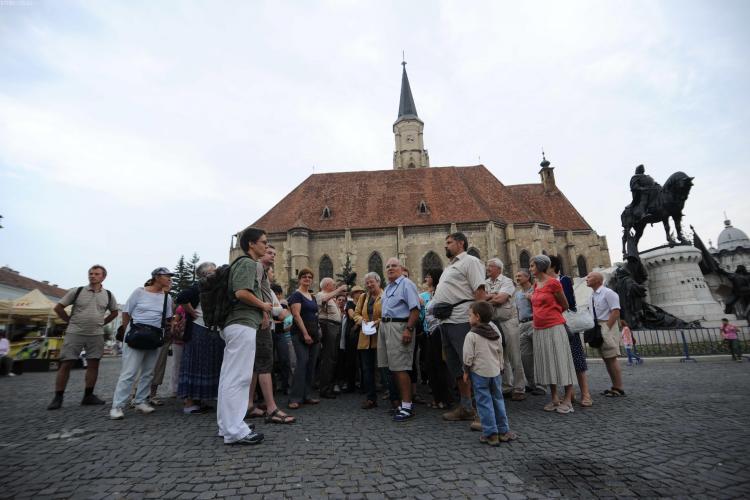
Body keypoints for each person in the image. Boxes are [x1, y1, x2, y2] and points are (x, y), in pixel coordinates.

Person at [217, 227, 270, 445]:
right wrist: (263, 305)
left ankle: (227, 425)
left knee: (229, 377)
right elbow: (241, 292)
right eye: (263, 242)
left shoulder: (241, 263)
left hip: (237, 324)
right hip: (242, 323)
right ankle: (235, 430)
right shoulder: (248, 263)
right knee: (239, 378)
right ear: (251, 244)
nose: (266, 246)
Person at [431, 232, 486, 422]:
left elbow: (479, 291)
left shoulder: (470, 261)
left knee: (472, 365)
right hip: (446, 321)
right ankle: (466, 407)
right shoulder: (450, 266)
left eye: (449, 242)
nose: (445, 246)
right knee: (456, 367)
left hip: (462, 320)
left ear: (461, 243)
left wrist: (479, 322)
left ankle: (483, 412)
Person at [48, 265, 119, 410]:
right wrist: (69, 321)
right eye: (91, 273)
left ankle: (88, 396)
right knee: (66, 363)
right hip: (75, 332)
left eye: (96, 274)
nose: (92, 276)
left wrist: (102, 323)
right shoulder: (77, 291)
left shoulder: (108, 295)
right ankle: (58, 397)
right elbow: (58, 307)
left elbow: (115, 312)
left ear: (103, 277)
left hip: (96, 334)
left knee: (94, 364)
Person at [109, 267, 174, 419]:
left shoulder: (167, 297)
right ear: (157, 277)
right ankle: (117, 406)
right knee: (129, 372)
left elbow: (167, 318)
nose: (169, 279)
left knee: (149, 372)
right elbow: (126, 312)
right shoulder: (139, 292)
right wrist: (127, 331)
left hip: (154, 335)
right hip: (136, 333)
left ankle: (140, 401)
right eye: (167, 276)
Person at [246, 245, 295, 424]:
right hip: (259, 326)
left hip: (264, 326)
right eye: (269, 252)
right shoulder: (257, 269)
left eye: (275, 253)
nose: (273, 256)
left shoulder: (265, 280)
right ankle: (271, 408)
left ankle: (249, 404)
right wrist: (264, 311)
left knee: (256, 367)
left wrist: (288, 318)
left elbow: (278, 309)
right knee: (264, 365)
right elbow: (250, 296)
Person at [462, 301, 517, 445]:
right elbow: (500, 351)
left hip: (479, 373)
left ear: (477, 317)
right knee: (498, 400)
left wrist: (466, 371)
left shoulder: (471, 335)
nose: (468, 318)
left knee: (484, 402)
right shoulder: (495, 332)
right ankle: (503, 431)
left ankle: (491, 434)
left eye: (470, 315)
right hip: (495, 372)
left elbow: (468, 356)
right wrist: (501, 366)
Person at [175, 262, 225, 414]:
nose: (216, 273)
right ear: (206, 274)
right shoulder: (199, 286)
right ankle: (189, 403)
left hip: (211, 330)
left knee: (208, 365)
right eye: (213, 271)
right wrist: (191, 311)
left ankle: (200, 400)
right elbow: (181, 297)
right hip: (198, 329)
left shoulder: (214, 287)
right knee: (195, 364)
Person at [529, 255, 576, 414]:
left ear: (540, 266)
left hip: (554, 327)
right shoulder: (536, 284)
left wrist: (551, 314)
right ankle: (555, 398)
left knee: (562, 361)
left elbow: (565, 304)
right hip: (539, 328)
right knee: (548, 363)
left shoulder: (553, 283)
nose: (530, 268)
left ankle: (568, 399)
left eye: (532, 266)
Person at [379, 258, 421, 422]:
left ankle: (407, 406)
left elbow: (415, 309)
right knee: (392, 367)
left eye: (394, 266)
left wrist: (408, 329)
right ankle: (401, 404)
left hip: (399, 327)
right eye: (388, 266)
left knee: (401, 367)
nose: (390, 268)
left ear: (401, 268)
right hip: (385, 327)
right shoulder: (388, 287)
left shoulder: (406, 284)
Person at [549, 255, 592, 407]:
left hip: (567, 324)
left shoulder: (564, 280)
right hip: (553, 324)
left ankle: (586, 394)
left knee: (576, 358)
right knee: (562, 359)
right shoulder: (543, 283)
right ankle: (570, 392)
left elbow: (568, 302)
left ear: (552, 266)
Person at [485, 258, 526, 401]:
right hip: (493, 322)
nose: (487, 268)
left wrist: (489, 297)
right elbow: (479, 298)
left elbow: (500, 300)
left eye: (490, 266)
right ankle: (507, 386)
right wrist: (493, 295)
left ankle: (519, 388)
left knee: (514, 355)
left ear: (498, 269)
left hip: (508, 321)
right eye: (487, 266)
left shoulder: (507, 281)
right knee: (501, 356)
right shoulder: (486, 283)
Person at [585, 271, 626, 397]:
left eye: (589, 277)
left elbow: (616, 312)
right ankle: (614, 386)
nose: (586, 279)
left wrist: (606, 328)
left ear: (598, 280)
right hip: (596, 326)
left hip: (606, 325)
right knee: (606, 358)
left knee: (611, 358)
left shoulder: (608, 293)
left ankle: (619, 388)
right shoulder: (592, 295)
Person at [287, 268, 322, 410]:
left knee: (311, 365)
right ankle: (295, 398)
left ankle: (306, 395)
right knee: (302, 363)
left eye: (309, 277)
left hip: (314, 334)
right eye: (304, 277)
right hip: (300, 334)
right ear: (299, 279)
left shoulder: (312, 296)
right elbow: (296, 315)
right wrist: (305, 333)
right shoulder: (296, 295)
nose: (307, 279)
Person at [420, 269, 454, 409]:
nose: (426, 278)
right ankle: (438, 397)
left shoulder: (441, 292)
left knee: (439, 365)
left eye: (428, 276)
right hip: (431, 331)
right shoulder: (432, 293)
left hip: (438, 330)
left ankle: (444, 399)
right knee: (431, 365)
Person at [353, 272, 383, 409]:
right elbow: (356, 313)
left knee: (384, 368)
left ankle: (394, 396)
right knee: (367, 369)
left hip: (380, 336)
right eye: (367, 283)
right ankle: (371, 398)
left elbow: (389, 314)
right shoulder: (364, 297)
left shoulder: (385, 296)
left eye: (372, 282)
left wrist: (378, 322)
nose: (369, 284)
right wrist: (361, 321)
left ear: (378, 282)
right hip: (365, 337)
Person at [316, 278, 348, 399]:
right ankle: (324, 389)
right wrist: (339, 289)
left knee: (333, 358)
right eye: (333, 284)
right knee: (328, 358)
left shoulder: (331, 296)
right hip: (328, 326)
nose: (335, 286)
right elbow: (323, 300)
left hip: (334, 327)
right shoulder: (321, 294)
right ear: (327, 285)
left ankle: (328, 386)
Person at [515, 269, 544, 396]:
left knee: (539, 355)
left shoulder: (535, 290)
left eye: (519, 276)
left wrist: (531, 298)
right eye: (516, 276)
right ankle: (531, 384)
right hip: (522, 325)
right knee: (525, 357)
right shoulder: (517, 294)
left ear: (527, 277)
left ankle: (541, 385)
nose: (517, 278)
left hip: (534, 322)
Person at [339, 286, 365, 393]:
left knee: (363, 360)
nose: (360, 294)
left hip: (362, 332)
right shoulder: (350, 304)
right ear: (353, 294)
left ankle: (363, 385)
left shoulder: (364, 303)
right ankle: (351, 385)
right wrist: (361, 319)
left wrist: (358, 322)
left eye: (361, 292)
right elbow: (351, 316)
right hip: (352, 334)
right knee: (351, 360)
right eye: (357, 292)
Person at [271, 283, 294, 394]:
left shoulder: (283, 306)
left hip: (281, 335)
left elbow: (285, 318)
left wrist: (275, 320)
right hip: (271, 333)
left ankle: (286, 385)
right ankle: (272, 387)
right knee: (270, 362)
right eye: (274, 294)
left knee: (284, 360)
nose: (276, 296)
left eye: (278, 294)